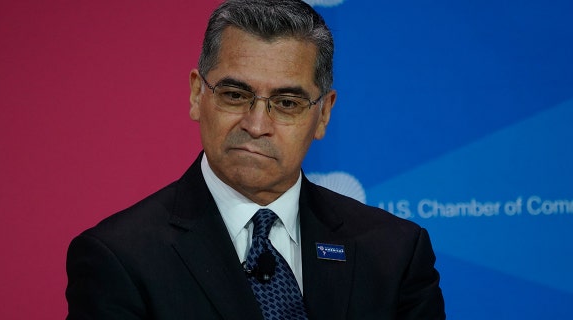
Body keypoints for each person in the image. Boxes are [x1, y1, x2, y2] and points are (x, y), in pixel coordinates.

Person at [65, 0, 445, 319]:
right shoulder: (119, 258)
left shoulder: (395, 253)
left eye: (287, 103)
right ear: (198, 95)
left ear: (323, 115)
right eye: (234, 94)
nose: (257, 124)